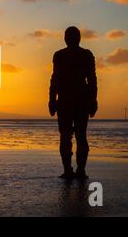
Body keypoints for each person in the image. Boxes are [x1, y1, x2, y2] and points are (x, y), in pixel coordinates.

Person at [49, 26, 98, 180]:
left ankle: (78, 170)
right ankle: (71, 170)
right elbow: (55, 79)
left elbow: (91, 80)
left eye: (69, 36)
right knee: (70, 137)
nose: (67, 38)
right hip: (68, 101)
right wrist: (52, 99)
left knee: (76, 136)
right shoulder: (60, 55)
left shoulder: (85, 55)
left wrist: (93, 100)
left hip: (76, 100)